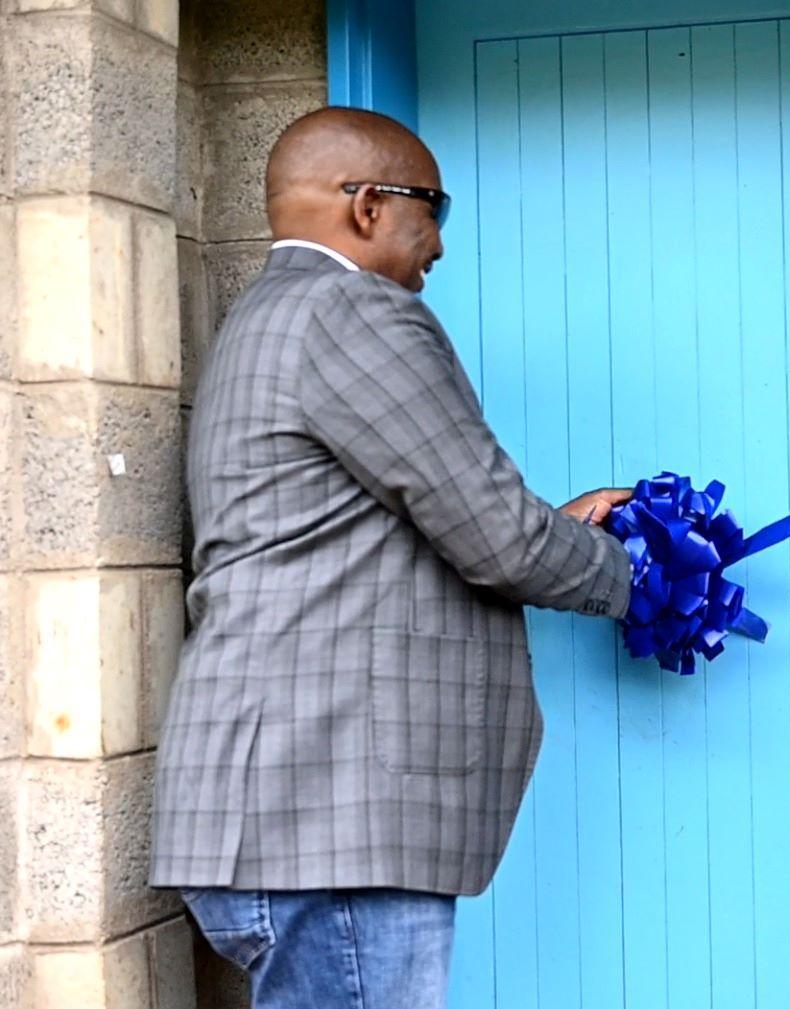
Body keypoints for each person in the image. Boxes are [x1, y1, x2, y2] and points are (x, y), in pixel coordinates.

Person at [149, 107, 634, 1009]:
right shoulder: (355, 310)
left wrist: (553, 523)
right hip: (328, 820)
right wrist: (637, 579)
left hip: (280, 817)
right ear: (368, 205)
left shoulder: (268, 315)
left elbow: (369, 528)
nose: (439, 246)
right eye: (433, 210)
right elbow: (499, 538)